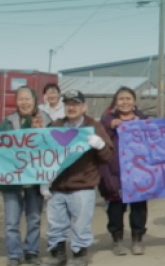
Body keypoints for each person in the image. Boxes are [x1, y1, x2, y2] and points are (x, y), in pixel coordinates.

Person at [44, 90, 113, 266]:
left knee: (81, 225)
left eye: (75, 104)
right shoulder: (55, 126)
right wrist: (43, 182)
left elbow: (108, 156)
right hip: (57, 186)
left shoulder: (93, 126)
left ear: (84, 106)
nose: (71, 107)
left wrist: (100, 145)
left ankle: (79, 255)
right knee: (55, 223)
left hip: (83, 186)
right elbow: (44, 155)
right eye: (68, 104)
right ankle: (57, 255)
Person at [1, 86, 51, 266]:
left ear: (35, 100)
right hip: (11, 180)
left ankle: (31, 251)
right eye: (20, 99)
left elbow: (53, 146)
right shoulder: (8, 121)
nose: (24, 102)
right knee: (11, 220)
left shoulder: (45, 120)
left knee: (34, 218)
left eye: (27, 98)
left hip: (36, 180)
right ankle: (14, 254)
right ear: (16, 101)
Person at [99, 87, 150, 256]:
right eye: (121, 99)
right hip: (115, 172)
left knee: (139, 207)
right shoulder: (106, 122)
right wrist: (109, 126)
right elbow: (98, 141)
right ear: (115, 102)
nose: (125, 102)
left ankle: (137, 239)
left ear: (134, 102)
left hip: (138, 172)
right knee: (115, 207)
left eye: (128, 98)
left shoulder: (144, 121)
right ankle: (117, 240)